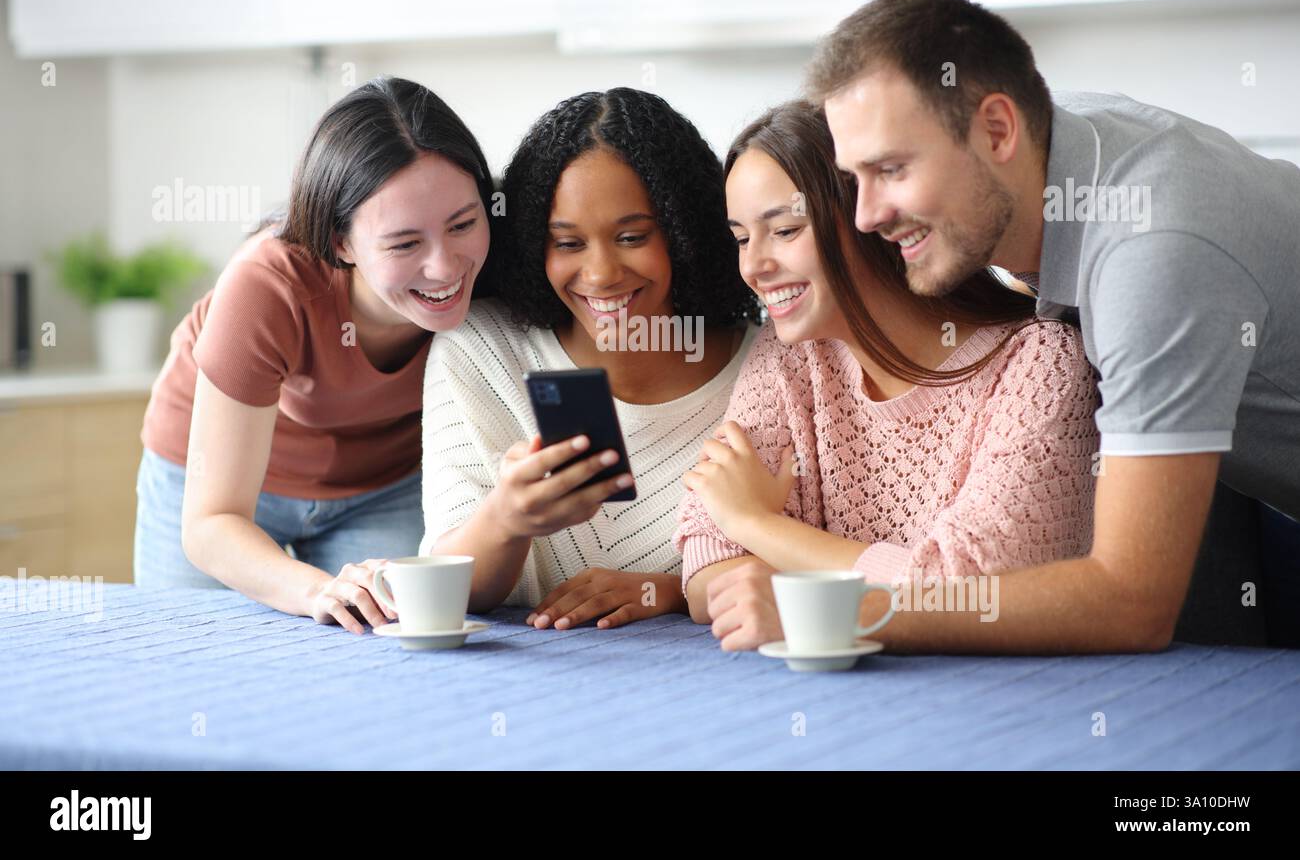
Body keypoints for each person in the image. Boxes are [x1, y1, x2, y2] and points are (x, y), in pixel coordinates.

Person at [703, 0, 1300, 652]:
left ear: (997, 130)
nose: (865, 215)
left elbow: (1131, 603)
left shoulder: (1152, 256)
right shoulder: (1043, 151)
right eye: (854, 177)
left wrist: (831, 612)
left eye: (891, 169)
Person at [676, 101, 1099, 648]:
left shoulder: (1039, 364)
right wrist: (818, 581)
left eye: (783, 230)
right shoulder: (791, 358)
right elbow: (706, 563)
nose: (754, 266)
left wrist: (759, 527)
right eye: (741, 238)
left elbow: (972, 594)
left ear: (875, 219)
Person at [135, 76, 499, 635]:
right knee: (192, 655)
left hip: (380, 484)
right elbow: (212, 521)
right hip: (217, 483)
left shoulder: (500, 268)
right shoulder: (267, 285)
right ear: (340, 242)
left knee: (387, 644)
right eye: (405, 244)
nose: (446, 267)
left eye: (463, 224)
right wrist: (313, 589)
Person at [421, 87, 761, 628]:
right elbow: (445, 592)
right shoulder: (481, 350)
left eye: (631, 237)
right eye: (568, 243)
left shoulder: (766, 369)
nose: (601, 274)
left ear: (683, 233)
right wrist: (507, 519)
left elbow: (803, 563)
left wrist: (669, 591)